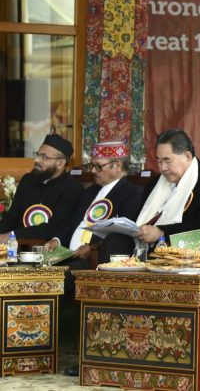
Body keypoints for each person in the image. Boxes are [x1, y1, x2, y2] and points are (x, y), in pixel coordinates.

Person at [43, 140, 142, 377]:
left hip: (92, 261)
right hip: (66, 255)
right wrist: (56, 239)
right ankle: (33, 348)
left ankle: (78, 351)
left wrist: (93, 247)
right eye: (92, 166)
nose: (93, 172)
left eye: (99, 167)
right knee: (35, 276)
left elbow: (124, 234)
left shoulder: (132, 193)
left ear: (117, 166)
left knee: (60, 279)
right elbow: (69, 223)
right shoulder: (89, 192)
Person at [105, 129, 200, 256]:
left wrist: (162, 232)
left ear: (187, 156)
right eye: (159, 161)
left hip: (183, 248)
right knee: (114, 241)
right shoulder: (154, 183)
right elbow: (141, 218)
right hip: (145, 244)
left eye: (167, 161)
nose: (163, 168)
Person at [0, 133, 83, 244]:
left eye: (44, 157)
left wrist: (13, 235)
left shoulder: (73, 188)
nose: (36, 160)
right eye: (37, 155)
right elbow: (12, 218)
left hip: (48, 249)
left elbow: (55, 227)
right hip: (16, 247)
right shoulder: (27, 180)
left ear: (60, 163)